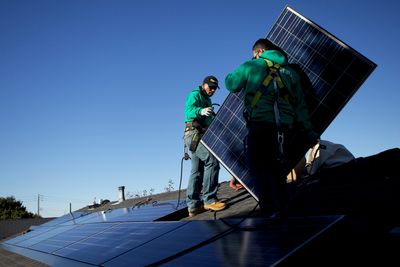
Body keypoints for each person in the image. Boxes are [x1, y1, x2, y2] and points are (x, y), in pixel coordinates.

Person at [225, 38, 317, 218]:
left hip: (261, 127)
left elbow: (231, 84)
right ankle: (284, 213)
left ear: (259, 52)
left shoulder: (252, 66)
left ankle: (269, 214)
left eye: (254, 55)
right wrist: (309, 130)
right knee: (279, 172)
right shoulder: (291, 72)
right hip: (286, 129)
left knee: (259, 171)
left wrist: (249, 65)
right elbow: (300, 106)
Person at [184, 75, 226, 217]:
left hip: (202, 136)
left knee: (197, 170)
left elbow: (208, 120)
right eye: (210, 87)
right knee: (212, 161)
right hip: (193, 134)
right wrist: (200, 111)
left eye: (215, 88)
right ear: (203, 85)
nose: (212, 90)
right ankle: (209, 199)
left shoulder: (208, 100)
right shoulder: (195, 95)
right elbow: (188, 111)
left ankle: (193, 206)